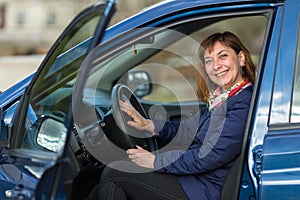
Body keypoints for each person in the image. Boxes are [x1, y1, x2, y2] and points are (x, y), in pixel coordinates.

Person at [87, 31, 256, 200]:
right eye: (209, 61)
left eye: (223, 56)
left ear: (241, 58)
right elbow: (186, 130)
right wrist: (149, 125)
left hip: (204, 189)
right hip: (195, 179)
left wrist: (156, 161)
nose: (216, 66)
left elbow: (208, 156)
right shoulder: (223, 99)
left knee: (115, 173)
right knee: (98, 191)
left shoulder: (243, 103)